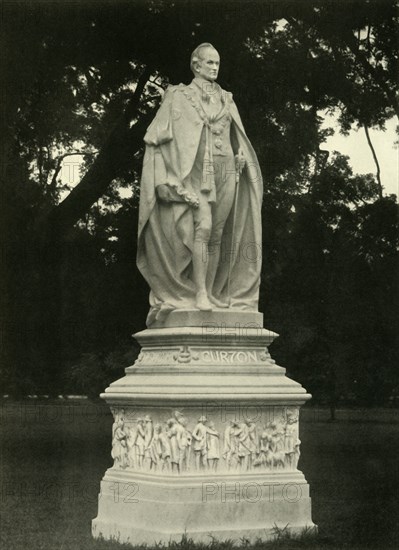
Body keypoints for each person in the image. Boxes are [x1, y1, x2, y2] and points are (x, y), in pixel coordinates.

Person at [137, 43, 263, 325]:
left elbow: (236, 136)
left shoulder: (227, 99)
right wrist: (168, 175)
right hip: (197, 171)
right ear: (196, 65)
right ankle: (201, 292)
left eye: (217, 63)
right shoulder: (179, 96)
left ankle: (213, 292)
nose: (215, 68)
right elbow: (157, 137)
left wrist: (240, 152)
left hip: (227, 169)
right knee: (203, 228)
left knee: (217, 233)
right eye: (209, 63)